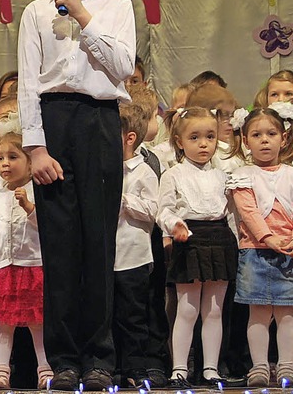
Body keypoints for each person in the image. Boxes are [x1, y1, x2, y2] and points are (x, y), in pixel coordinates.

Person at [16, 0, 135, 390]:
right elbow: (28, 83)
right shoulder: (37, 12)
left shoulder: (116, 4)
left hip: (100, 122)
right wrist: (36, 148)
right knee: (61, 250)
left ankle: (100, 358)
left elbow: (123, 66)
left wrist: (83, 15)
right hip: (54, 122)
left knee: (98, 245)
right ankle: (63, 360)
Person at [156, 107, 238, 388]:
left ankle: (210, 369)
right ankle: (179, 368)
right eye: (195, 137)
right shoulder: (173, 174)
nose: (204, 144)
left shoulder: (221, 175)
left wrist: (237, 243)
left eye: (210, 137)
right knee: (187, 309)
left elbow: (230, 214)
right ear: (179, 142)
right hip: (190, 239)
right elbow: (163, 210)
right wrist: (175, 225)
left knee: (214, 311)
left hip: (219, 240)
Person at [0, 127, 52, 390]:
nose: (5, 163)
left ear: (31, 163)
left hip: (30, 265)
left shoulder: (38, 192)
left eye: (13, 157)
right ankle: (1, 369)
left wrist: (29, 208)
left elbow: (49, 228)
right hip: (2, 268)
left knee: (36, 321)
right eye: (0, 158)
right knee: (2, 323)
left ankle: (45, 367)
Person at [226, 105, 293, 387]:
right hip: (255, 251)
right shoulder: (243, 175)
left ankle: (287, 365)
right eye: (257, 134)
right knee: (259, 312)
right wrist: (268, 238)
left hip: (289, 250)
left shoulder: (290, 173)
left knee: (287, 311)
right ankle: (259, 366)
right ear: (245, 140)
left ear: (284, 138)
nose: (265, 140)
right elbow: (249, 212)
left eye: (271, 133)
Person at [113, 104, 158, 388]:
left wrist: (125, 201)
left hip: (134, 256)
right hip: (106, 254)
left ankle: (136, 366)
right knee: (107, 314)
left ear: (130, 138)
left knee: (133, 316)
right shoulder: (103, 167)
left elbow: (154, 209)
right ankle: (110, 365)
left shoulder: (143, 172)